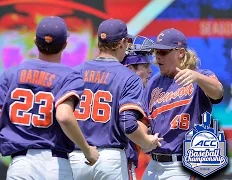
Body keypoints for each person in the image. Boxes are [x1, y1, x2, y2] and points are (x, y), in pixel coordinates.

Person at [0, 16, 99, 180]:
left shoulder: (10, 74)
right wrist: (87, 150)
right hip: (54, 164)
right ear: (64, 44)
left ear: (35, 41)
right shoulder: (69, 77)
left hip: (21, 163)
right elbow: (64, 116)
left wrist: (19, 115)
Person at [69, 18, 163, 180]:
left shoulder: (75, 72)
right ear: (121, 43)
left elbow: (62, 116)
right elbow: (127, 123)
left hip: (76, 155)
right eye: (145, 66)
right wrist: (147, 143)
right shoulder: (127, 77)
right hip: (110, 157)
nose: (150, 71)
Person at [142, 28, 224, 180]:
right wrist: (144, 139)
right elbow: (143, 118)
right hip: (154, 164)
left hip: (182, 165)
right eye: (156, 52)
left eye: (163, 52)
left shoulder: (201, 76)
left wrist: (197, 77)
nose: (158, 57)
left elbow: (218, 92)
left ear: (180, 53)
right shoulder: (154, 82)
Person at [122, 36, 154, 180]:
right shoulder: (134, 92)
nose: (150, 71)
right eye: (145, 66)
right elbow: (130, 127)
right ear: (129, 68)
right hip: (117, 163)